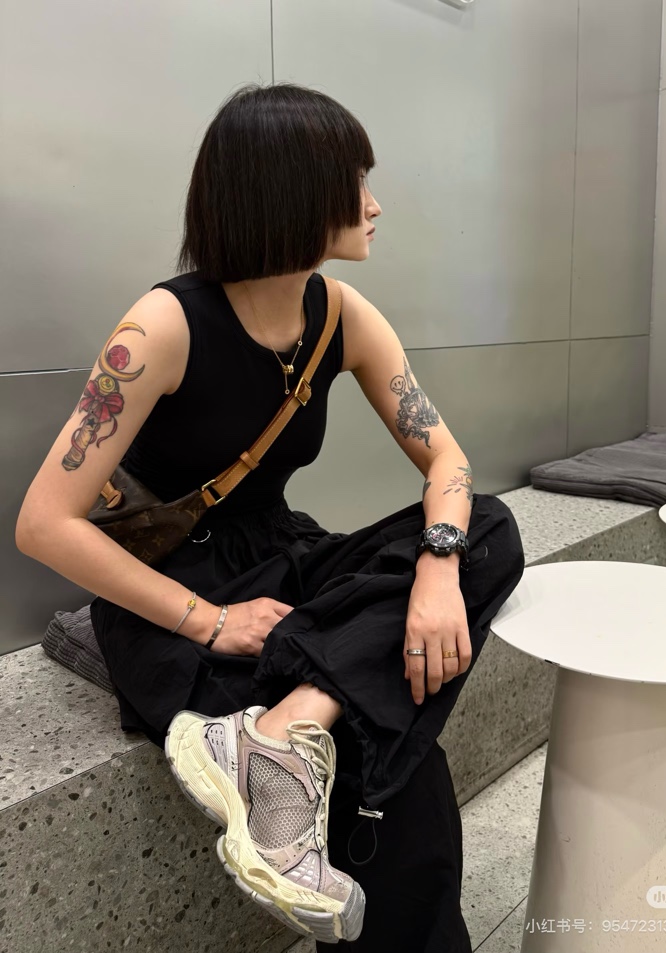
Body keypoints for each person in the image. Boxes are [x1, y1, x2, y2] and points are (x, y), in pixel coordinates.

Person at [16, 83, 524, 952]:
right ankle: (289, 741)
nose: (374, 203)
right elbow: (44, 522)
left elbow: (449, 461)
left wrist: (439, 566)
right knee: (393, 757)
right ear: (291, 190)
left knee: (489, 528)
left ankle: (285, 728)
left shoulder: (341, 315)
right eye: (354, 180)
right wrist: (211, 623)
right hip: (175, 591)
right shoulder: (162, 326)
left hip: (283, 554)